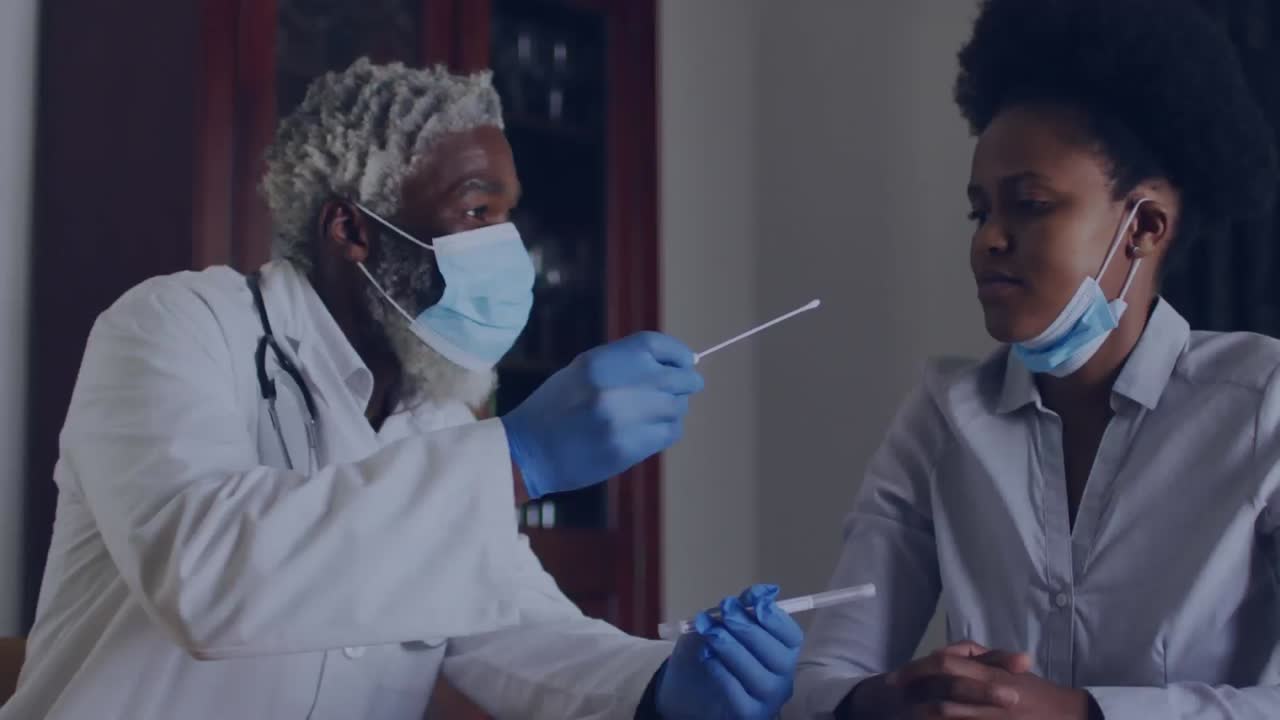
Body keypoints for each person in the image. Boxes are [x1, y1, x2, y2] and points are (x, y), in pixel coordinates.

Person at [4, 60, 801, 720]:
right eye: (475, 212)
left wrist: (665, 687)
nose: (507, 249)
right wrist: (517, 460)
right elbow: (203, 579)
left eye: (508, 216)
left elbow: (518, 630)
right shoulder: (174, 327)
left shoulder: (437, 419)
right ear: (352, 231)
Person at [789, 0, 1280, 718]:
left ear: (1143, 226)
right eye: (979, 210)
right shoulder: (942, 417)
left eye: (1029, 204)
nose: (988, 239)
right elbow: (823, 679)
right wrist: (895, 698)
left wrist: (1083, 713)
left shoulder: (1260, 402)